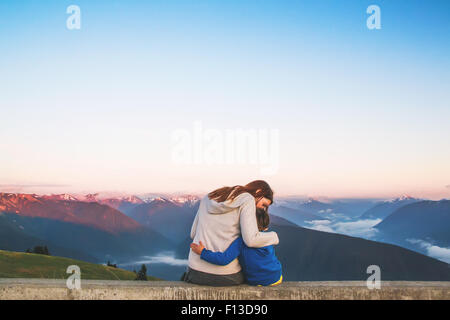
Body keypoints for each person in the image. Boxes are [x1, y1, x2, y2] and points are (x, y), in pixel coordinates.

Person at [182, 180, 279, 286]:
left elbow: (193, 233)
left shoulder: (208, 197)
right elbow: (251, 240)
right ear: (258, 192)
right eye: (263, 204)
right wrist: (274, 237)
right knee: (253, 276)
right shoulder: (248, 200)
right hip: (227, 276)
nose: (263, 209)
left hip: (194, 273)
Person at [190, 208, 283, 286]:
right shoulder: (268, 238)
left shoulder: (241, 242)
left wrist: (203, 252)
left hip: (258, 281)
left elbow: (223, 259)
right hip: (277, 276)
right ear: (266, 227)